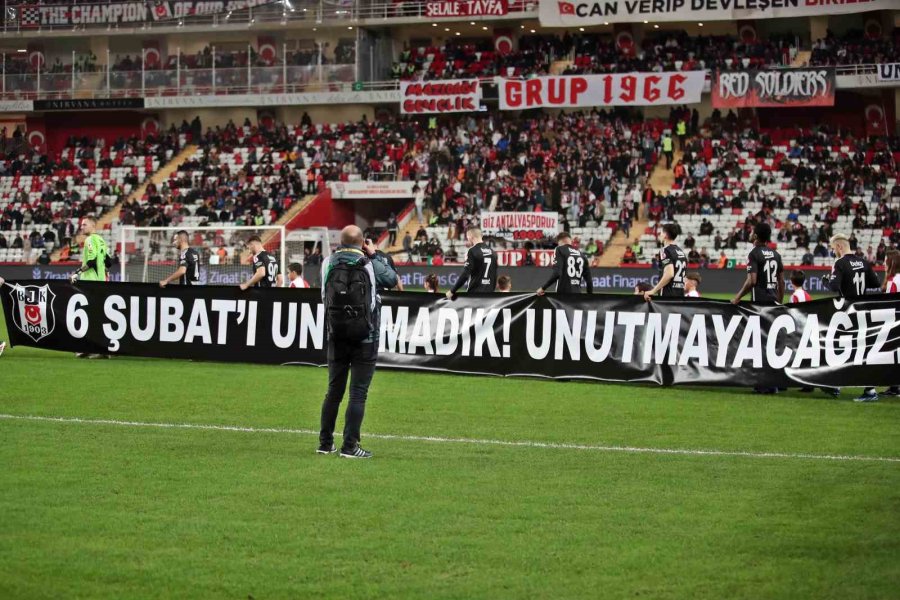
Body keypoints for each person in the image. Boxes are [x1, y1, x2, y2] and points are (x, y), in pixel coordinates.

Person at [319, 225, 398, 459]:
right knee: (358, 393)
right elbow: (392, 279)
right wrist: (373, 254)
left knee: (333, 391)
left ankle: (325, 443)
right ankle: (350, 446)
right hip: (366, 335)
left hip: (336, 333)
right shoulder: (369, 263)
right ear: (362, 242)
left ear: (340, 241)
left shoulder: (328, 263)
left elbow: (324, 295)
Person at [828, 233, 881, 402]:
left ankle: (835, 384)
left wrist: (826, 281)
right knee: (861, 350)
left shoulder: (840, 263)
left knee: (837, 346)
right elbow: (875, 283)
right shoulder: (863, 261)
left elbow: (834, 286)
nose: (833, 252)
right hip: (863, 311)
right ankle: (869, 389)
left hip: (848, 313)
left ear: (839, 246)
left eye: (833, 248)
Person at [731, 223, 784, 304]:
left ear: (755, 236)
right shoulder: (777, 255)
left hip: (759, 304)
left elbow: (752, 281)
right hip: (774, 303)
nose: (750, 233)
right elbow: (781, 282)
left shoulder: (754, 254)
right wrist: (779, 303)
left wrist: (737, 297)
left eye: (752, 232)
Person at [446, 227, 497, 299]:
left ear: (471, 237)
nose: (467, 240)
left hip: (474, 294)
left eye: (467, 237)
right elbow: (494, 275)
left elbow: (466, 274)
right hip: (489, 294)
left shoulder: (472, 251)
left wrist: (452, 291)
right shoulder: (493, 252)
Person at [643, 224, 686, 301]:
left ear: (665, 235)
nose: (660, 235)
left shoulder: (665, 250)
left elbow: (669, 274)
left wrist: (653, 290)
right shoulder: (680, 251)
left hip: (667, 295)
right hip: (679, 294)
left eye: (661, 233)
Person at [69, 216, 108, 283]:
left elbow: (92, 261)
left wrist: (77, 273)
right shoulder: (101, 240)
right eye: (81, 225)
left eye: (84, 225)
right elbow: (107, 263)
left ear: (93, 225)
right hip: (101, 281)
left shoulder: (90, 239)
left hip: (89, 281)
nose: (81, 227)